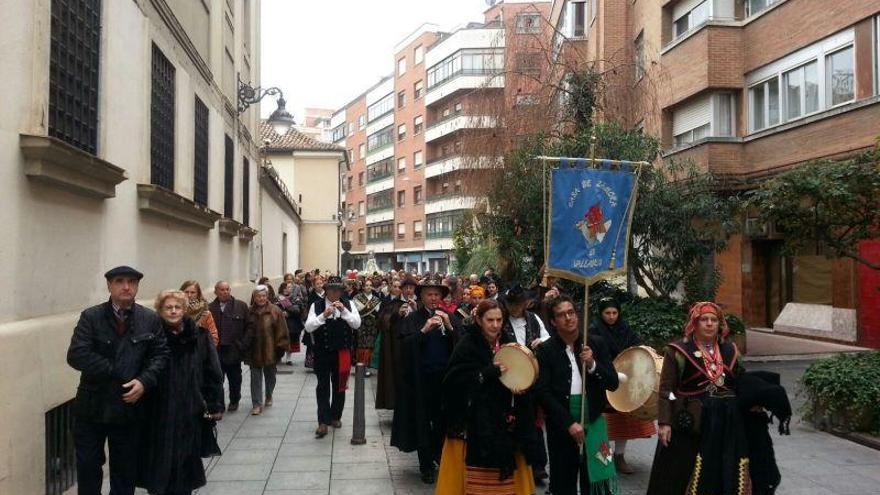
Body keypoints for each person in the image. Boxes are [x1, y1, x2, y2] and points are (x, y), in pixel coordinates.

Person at [67, 266, 170, 495]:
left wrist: (144, 381)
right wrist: (117, 372)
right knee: (88, 467)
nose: (126, 286)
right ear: (109, 286)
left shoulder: (149, 319)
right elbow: (77, 355)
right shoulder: (91, 317)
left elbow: (161, 355)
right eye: (120, 281)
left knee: (125, 471)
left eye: (131, 282)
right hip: (92, 407)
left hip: (129, 407)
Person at [646, 302, 749, 495]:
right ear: (695, 322)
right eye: (704, 319)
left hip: (722, 424)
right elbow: (667, 390)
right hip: (689, 422)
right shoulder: (678, 351)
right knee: (679, 474)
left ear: (719, 324)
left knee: (718, 473)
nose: (709, 324)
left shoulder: (730, 350)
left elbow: (741, 382)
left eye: (714, 320)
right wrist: (665, 422)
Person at [436, 300, 535, 495]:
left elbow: (517, 375)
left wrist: (519, 388)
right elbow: (452, 383)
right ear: (479, 320)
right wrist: (485, 374)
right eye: (490, 320)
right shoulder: (467, 345)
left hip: (505, 424)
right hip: (473, 428)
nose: (495, 325)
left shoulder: (507, 342)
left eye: (499, 320)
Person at [137, 290, 224, 495]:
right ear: (160, 310)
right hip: (158, 413)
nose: (173, 311)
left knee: (185, 465)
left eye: (177, 307)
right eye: (168, 307)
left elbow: (213, 373)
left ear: (185, 310)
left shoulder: (199, 336)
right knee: (159, 465)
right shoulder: (151, 338)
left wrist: (214, 405)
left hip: (189, 411)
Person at [534, 295, 619, 495]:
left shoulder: (596, 343)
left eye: (571, 313)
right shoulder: (546, 350)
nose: (568, 318)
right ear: (554, 322)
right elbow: (542, 392)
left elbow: (613, 383)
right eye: (562, 315)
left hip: (595, 421)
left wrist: (592, 365)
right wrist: (569, 423)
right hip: (562, 426)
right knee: (564, 481)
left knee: (596, 481)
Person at [391, 277, 457, 484]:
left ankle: (439, 455)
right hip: (420, 380)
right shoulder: (413, 319)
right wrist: (424, 330)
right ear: (421, 297)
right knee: (422, 421)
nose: (434, 298)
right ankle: (426, 464)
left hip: (445, 379)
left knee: (442, 421)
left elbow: (462, 344)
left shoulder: (450, 317)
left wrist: (450, 328)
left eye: (437, 294)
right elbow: (404, 346)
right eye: (429, 294)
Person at [589, 297, 655, 475]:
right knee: (602, 422)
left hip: (624, 381)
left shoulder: (625, 329)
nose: (611, 316)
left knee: (623, 420)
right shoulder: (593, 331)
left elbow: (637, 345)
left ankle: (619, 456)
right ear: (601, 314)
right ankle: (602, 458)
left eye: (614, 313)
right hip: (602, 380)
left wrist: (646, 350)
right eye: (607, 313)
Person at [501, 284, 551, 484]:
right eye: (511, 304)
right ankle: (513, 464)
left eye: (518, 304)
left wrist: (541, 341)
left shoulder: (534, 319)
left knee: (534, 422)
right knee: (512, 421)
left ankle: (537, 466)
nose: (514, 308)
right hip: (509, 378)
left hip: (532, 376)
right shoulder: (501, 321)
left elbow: (547, 337)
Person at [304, 276, 361, 438]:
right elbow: (308, 327)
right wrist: (323, 315)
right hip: (322, 352)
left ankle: (336, 416)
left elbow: (356, 324)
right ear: (326, 290)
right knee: (322, 386)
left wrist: (344, 311)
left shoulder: (349, 304)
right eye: (332, 290)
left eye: (338, 290)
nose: (335, 293)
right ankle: (323, 421)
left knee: (339, 386)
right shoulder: (316, 305)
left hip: (342, 352)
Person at [243, 285, 289, 415]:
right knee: (255, 378)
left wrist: (281, 347)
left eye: (263, 296)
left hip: (271, 350)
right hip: (254, 351)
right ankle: (256, 404)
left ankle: (269, 394)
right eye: (258, 296)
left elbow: (282, 330)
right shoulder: (249, 311)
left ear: (267, 296)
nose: (261, 298)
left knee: (271, 376)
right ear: (254, 297)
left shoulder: (275, 311)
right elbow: (244, 330)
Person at [375, 277, 418, 410]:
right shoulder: (394, 303)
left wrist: (416, 310)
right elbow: (382, 321)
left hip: (416, 346)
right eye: (406, 288)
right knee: (397, 376)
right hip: (397, 347)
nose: (409, 290)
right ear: (402, 289)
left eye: (411, 288)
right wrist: (396, 314)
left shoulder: (420, 303)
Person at [208, 281, 249, 411]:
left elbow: (249, 327)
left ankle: (234, 399)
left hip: (233, 349)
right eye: (222, 290)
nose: (225, 292)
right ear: (216, 291)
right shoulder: (209, 308)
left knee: (235, 378)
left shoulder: (240, 306)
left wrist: (242, 344)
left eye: (227, 289)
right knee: (217, 378)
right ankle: (219, 403)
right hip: (216, 350)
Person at [353, 279, 382, 376]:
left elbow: (378, 311)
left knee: (370, 346)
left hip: (372, 325)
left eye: (370, 285)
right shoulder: (357, 298)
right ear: (363, 287)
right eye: (366, 285)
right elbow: (356, 310)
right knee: (361, 346)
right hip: (361, 324)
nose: (368, 287)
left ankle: (367, 367)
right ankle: (360, 367)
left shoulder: (376, 299)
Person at [180, 280, 219, 346]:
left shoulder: (205, 313)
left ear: (198, 294)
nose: (189, 295)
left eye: (192, 292)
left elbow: (214, 337)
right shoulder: (175, 311)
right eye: (186, 292)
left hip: (200, 350)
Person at [276, 281, 305, 365]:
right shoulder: (277, 297)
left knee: (291, 341)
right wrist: (281, 312)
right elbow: (274, 309)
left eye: (289, 287)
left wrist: (287, 309)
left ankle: (288, 359)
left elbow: (297, 310)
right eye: (285, 287)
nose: (286, 289)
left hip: (292, 324)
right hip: (280, 324)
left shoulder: (296, 298)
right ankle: (279, 356)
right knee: (280, 341)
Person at [302, 274, 327, 370]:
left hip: (325, 320)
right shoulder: (312, 296)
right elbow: (309, 309)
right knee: (313, 343)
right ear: (314, 285)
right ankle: (313, 363)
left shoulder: (327, 294)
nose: (320, 285)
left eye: (321, 283)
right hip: (315, 320)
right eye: (317, 284)